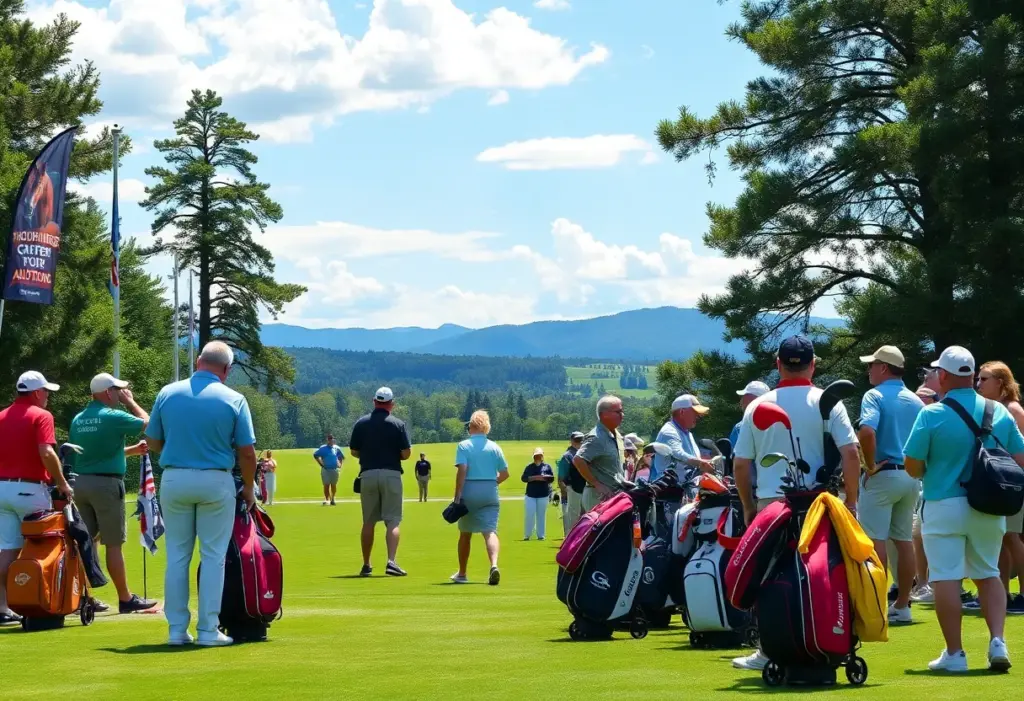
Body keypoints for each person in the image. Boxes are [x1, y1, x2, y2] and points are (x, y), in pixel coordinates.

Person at [731, 336, 860, 672]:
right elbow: (850, 452)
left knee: (768, 572)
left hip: (772, 505)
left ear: (778, 364)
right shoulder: (827, 401)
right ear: (812, 364)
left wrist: (748, 505)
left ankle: (768, 649)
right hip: (821, 502)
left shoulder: (757, 406)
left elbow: (741, 464)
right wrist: (853, 502)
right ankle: (830, 637)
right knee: (823, 571)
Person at [904, 345, 1024, 672]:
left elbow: (913, 467)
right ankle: (997, 641)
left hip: (943, 502)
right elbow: (1020, 458)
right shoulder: (998, 411)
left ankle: (955, 654)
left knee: (945, 577)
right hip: (988, 504)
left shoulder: (931, 414)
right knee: (988, 573)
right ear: (972, 375)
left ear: (943, 375)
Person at [145, 342, 257, 647]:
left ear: (198, 362)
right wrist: (248, 487)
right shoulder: (234, 398)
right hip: (215, 481)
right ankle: (208, 629)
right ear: (226, 370)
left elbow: (153, 441)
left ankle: (176, 629)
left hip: (175, 478)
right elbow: (246, 452)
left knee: (177, 558)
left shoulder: (168, 393)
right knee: (213, 557)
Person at [69, 373, 157, 614]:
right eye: (117, 390)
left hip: (80, 484)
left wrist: (130, 451)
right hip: (107, 486)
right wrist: (131, 403)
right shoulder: (113, 415)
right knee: (113, 544)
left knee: (85, 542)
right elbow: (149, 423)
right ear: (108, 392)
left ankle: (82, 597)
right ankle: (125, 598)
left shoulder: (78, 419)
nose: (120, 393)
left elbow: (92, 455)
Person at [856, 346, 924, 623]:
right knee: (904, 540)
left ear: (883, 367)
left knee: (876, 540)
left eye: (871, 365)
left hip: (883, 475)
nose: (868, 370)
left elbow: (866, 431)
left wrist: (869, 465)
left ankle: (877, 606)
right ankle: (903, 605)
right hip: (911, 477)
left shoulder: (874, 395)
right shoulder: (916, 400)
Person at [0, 371, 70, 627]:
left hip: (2, 489)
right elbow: (46, 451)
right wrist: (61, 483)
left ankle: (2, 606)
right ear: (36, 393)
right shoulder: (41, 416)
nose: (48, 397)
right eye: (46, 392)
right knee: (42, 546)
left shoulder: (1, 416)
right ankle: (40, 601)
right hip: (29, 490)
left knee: (7, 549)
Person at [976, 361, 1024, 615]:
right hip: (999, 483)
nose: (979, 384)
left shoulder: (1012, 409)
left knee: (1012, 537)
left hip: (1012, 484)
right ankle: (1003, 592)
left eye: (985, 379)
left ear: (1001, 384)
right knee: (1003, 539)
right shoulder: (993, 409)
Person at [349, 387, 411, 577]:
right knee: (392, 520)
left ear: (374, 401)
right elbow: (406, 454)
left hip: (367, 474)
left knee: (368, 521)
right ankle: (391, 562)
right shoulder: (398, 424)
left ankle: (366, 564)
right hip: (391, 474)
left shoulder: (361, 423)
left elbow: (353, 451)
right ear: (391, 404)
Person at [451, 410, 508, 584]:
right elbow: (505, 473)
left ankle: (462, 573)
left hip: (469, 490)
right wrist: (491, 484)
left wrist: (457, 495)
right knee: (490, 531)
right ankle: (494, 565)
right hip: (490, 490)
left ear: (471, 427)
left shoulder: (464, 445)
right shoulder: (495, 447)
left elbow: (462, 471)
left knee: (465, 533)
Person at [573, 396, 628, 512]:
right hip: (598, 497)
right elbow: (578, 459)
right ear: (604, 415)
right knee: (599, 530)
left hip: (614, 496)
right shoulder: (596, 437)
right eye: (618, 412)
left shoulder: (615, 435)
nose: (622, 415)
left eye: (622, 411)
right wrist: (596, 483)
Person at [652, 395, 717, 482]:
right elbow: (679, 454)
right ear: (682, 412)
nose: (698, 416)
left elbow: (691, 457)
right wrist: (701, 463)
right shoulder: (669, 432)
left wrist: (704, 460)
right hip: (669, 489)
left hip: (686, 487)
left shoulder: (687, 433)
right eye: (694, 412)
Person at [522, 447, 554, 541]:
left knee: (541, 515)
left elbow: (551, 478)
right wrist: (533, 478)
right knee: (530, 514)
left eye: (539, 455)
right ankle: (527, 534)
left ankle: (541, 535)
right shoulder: (529, 467)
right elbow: (524, 478)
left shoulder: (547, 467)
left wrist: (544, 477)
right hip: (531, 494)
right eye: (536, 456)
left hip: (543, 493)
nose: (538, 457)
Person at [558, 432, 585, 535]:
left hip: (584, 488)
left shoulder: (584, 453)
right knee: (573, 518)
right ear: (571, 441)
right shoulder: (567, 456)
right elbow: (561, 478)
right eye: (577, 440)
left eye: (581, 440)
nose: (579, 442)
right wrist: (565, 492)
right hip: (572, 488)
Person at [729, 381, 770, 448]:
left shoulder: (741, 427)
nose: (741, 402)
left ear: (752, 400)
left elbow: (736, 456)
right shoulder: (779, 424)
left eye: (744, 397)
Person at [313, 435, 344, 506]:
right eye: (329, 439)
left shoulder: (336, 448)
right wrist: (321, 464)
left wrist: (340, 464)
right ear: (327, 440)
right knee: (326, 485)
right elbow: (315, 455)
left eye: (331, 439)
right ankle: (327, 499)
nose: (330, 441)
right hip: (326, 470)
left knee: (333, 485)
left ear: (333, 440)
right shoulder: (323, 448)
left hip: (335, 469)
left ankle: (332, 499)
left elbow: (340, 456)